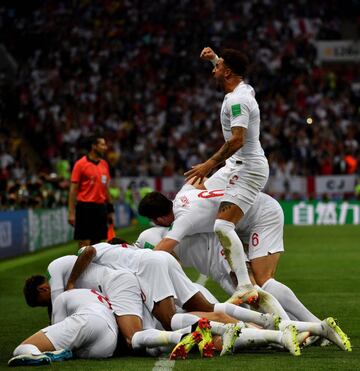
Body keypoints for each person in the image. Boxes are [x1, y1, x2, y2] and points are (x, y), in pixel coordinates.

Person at [184, 47, 269, 305]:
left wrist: (208, 164)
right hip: (234, 166)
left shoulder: (237, 101)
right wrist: (213, 56)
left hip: (248, 168)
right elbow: (227, 66)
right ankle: (223, 253)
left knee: (222, 225)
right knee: (193, 191)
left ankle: (244, 285)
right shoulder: (243, 89)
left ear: (228, 72)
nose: (214, 69)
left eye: (218, 67)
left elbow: (237, 140)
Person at [9, 289, 118, 366]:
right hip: (108, 343)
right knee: (72, 349)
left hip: (89, 320)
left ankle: (38, 356)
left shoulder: (63, 296)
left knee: (23, 348)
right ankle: (57, 354)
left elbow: (57, 324)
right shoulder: (96, 293)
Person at [68, 134, 113, 248]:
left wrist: (110, 209)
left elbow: (106, 188)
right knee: (84, 243)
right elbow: (73, 190)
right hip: (85, 207)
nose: (105, 147)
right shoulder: (80, 164)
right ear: (94, 146)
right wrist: (71, 212)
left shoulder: (104, 164)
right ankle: (82, 265)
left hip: (100, 208)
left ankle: (95, 266)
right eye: (102, 144)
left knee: (98, 244)